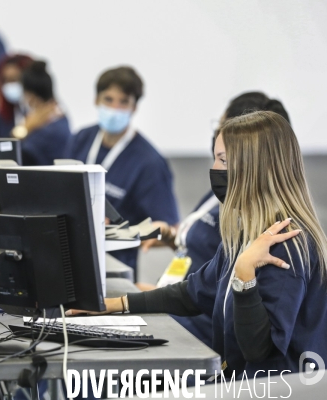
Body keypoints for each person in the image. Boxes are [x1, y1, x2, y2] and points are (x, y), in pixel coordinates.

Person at [70, 110, 327, 379]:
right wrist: (115, 304)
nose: (214, 169)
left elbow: (258, 350)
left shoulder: (285, 246)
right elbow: (193, 293)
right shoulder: (248, 234)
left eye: (223, 160)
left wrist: (244, 275)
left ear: (254, 169)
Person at [137, 92, 291, 348]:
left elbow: (257, 342)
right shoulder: (222, 192)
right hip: (182, 304)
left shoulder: (258, 222)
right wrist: (171, 237)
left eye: (223, 126)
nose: (217, 135)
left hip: (200, 327)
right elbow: (203, 264)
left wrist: (152, 298)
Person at [65, 66, 179, 273]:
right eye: (108, 99)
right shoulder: (81, 139)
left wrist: (122, 231)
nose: (115, 108)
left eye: (124, 102)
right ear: (96, 100)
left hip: (114, 270)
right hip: (68, 256)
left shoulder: (149, 162)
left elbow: (170, 230)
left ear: (134, 107)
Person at [10, 60, 71, 166]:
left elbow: (15, 156)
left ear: (32, 97)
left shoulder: (48, 128)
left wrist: (25, 128)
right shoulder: (59, 116)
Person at [0, 54, 33, 138]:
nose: (9, 85)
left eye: (14, 79)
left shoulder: (45, 116)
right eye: (6, 80)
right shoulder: (2, 115)